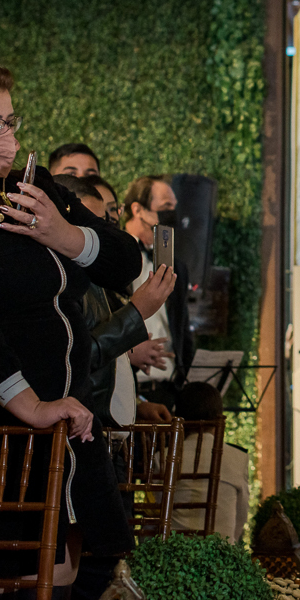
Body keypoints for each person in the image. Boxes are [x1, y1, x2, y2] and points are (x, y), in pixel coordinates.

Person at [0, 59, 140, 600]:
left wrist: (64, 235)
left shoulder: (32, 184)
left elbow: (125, 261)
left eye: (10, 121)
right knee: (0, 581)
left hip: (65, 417)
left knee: (84, 569)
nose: (5, 136)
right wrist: (28, 403)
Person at [52, 174, 175, 428]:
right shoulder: (60, 280)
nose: (102, 236)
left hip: (109, 429)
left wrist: (138, 405)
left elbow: (109, 367)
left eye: (106, 222)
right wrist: (136, 312)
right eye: (89, 225)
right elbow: (77, 359)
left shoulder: (98, 276)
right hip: (82, 428)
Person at [122, 175, 193, 409]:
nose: (172, 215)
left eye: (174, 207)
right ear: (138, 210)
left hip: (167, 388)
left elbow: (180, 323)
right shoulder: (114, 258)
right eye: (165, 208)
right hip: (126, 386)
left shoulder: (177, 266)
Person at [171, 382, 250, 543]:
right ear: (219, 419)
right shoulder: (238, 458)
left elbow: (156, 517)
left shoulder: (163, 457)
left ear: (179, 418)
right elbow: (241, 515)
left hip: (174, 556)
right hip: (222, 557)